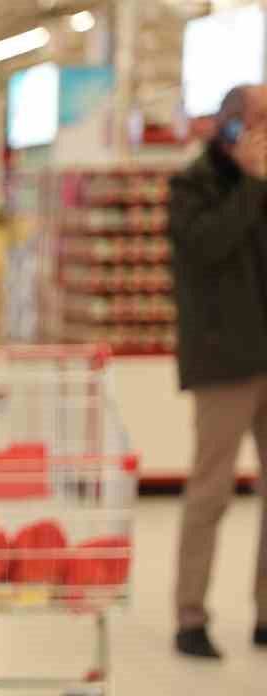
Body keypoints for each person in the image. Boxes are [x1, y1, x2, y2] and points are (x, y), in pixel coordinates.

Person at [170, 84, 267, 659]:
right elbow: (207, 249)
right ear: (229, 125)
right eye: (257, 119)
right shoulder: (192, 186)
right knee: (211, 492)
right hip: (223, 362)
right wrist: (252, 184)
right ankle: (190, 616)